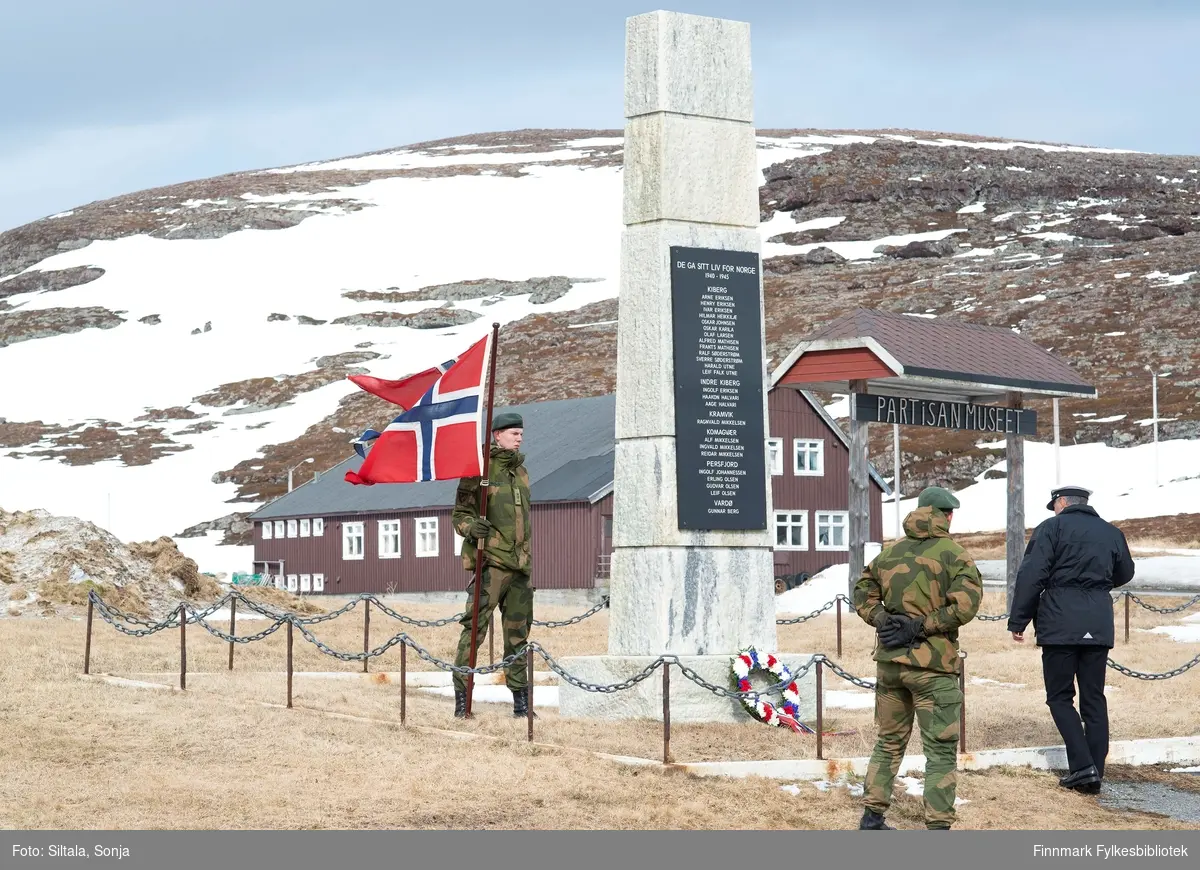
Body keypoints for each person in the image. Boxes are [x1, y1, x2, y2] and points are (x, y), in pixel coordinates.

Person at [852, 486, 983, 830]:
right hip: (933, 669)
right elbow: (965, 605)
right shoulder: (955, 554)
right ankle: (938, 829)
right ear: (947, 515)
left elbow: (862, 591)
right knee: (939, 751)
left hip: (891, 665)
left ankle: (872, 818)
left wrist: (882, 620)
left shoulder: (889, 553)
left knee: (889, 741)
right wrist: (923, 625)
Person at [1008, 484, 1134, 795]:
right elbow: (1126, 572)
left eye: (1054, 506)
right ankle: (1096, 772)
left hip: (1059, 623)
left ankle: (1082, 767)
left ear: (1061, 502)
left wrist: (1018, 620)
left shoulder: (1051, 529)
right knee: (1094, 699)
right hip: (1099, 622)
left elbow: (1031, 574)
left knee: (1060, 697)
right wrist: (1095, 583)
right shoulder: (1111, 532)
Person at [450, 411, 534, 719]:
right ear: (497, 435)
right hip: (491, 564)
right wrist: (473, 528)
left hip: (521, 566)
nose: (519, 437)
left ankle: (521, 705)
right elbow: (459, 515)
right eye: (513, 432)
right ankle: (463, 700)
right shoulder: (478, 469)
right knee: (474, 631)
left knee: (519, 636)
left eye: (521, 433)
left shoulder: (521, 471)